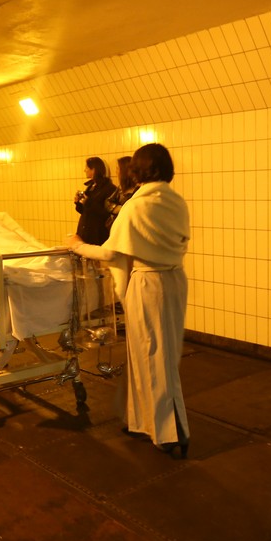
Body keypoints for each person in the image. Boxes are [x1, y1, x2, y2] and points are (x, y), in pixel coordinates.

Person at [69, 143, 189, 457]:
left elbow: (111, 252)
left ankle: (169, 432)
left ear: (137, 171)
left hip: (149, 282)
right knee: (157, 353)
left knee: (151, 354)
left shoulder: (137, 206)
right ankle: (141, 421)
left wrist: (78, 245)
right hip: (175, 279)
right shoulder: (176, 201)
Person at [73, 156, 116, 246]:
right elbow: (85, 211)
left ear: (93, 170)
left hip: (97, 234)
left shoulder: (109, 188)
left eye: (86, 168)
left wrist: (88, 202)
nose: (84, 170)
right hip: (84, 232)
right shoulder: (91, 186)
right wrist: (78, 203)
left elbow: (106, 214)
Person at [104, 155, 138, 233]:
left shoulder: (137, 190)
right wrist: (117, 208)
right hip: (117, 230)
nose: (116, 171)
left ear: (124, 171)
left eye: (118, 168)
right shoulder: (120, 188)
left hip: (127, 231)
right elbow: (108, 202)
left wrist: (119, 209)